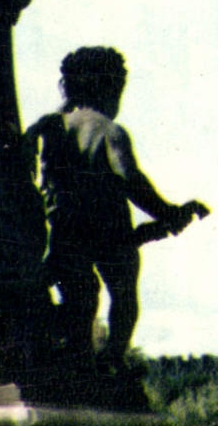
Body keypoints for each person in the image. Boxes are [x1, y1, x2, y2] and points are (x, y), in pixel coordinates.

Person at [27, 47, 205, 371]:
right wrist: (166, 212)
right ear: (108, 88)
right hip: (111, 229)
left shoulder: (52, 125)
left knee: (79, 298)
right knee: (123, 295)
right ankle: (113, 358)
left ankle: (76, 354)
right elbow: (129, 177)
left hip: (65, 228)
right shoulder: (109, 130)